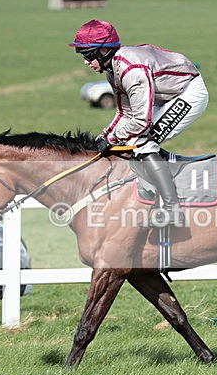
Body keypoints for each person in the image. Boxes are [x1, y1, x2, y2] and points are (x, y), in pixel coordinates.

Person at [69, 19, 209, 227]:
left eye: (88, 55)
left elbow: (141, 121)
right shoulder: (113, 70)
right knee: (130, 141)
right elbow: (125, 113)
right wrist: (104, 136)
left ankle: (173, 210)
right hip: (167, 95)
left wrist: (112, 140)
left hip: (189, 93)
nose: (86, 62)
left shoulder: (130, 70)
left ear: (104, 51)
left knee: (142, 143)